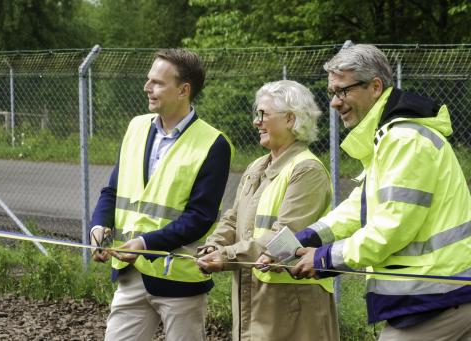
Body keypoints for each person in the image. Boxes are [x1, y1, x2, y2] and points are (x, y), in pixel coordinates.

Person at [286, 44, 471, 340]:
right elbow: (361, 206)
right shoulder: (391, 135)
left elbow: (391, 229)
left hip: (438, 296)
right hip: (463, 290)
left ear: (375, 86)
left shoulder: (403, 139)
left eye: (342, 91)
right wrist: (308, 237)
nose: (335, 103)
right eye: (332, 93)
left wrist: (324, 258)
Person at [89, 48, 232, 341]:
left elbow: (200, 218)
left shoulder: (214, 143)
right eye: (148, 80)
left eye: (157, 83)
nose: (147, 88)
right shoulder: (136, 127)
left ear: (184, 90)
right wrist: (99, 227)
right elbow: (113, 191)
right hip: (130, 276)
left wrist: (144, 243)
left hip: (179, 280)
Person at [196, 80, 339, 341]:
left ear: (290, 119)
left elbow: (286, 236)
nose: (256, 122)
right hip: (254, 297)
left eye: (263, 114)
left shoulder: (307, 170)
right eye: (257, 114)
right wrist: (212, 246)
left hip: (293, 307)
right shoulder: (256, 167)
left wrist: (226, 255)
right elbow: (233, 218)